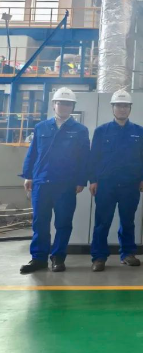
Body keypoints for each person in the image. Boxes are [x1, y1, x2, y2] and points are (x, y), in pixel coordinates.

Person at [20, 87, 90, 274]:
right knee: (40, 222)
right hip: (41, 182)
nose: (64, 106)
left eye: (68, 104)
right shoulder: (41, 127)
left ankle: (58, 258)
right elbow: (33, 153)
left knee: (63, 223)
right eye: (60, 103)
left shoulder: (80, 130)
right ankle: (38, 258)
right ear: (53, 105)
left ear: (73, 106)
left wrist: (81, 181)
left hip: (66, 184)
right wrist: (28, 175)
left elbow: (84, 158)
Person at [89, 90, 143, 272]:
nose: (122, 109)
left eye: (125, 106)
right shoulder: (101, 131)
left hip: (130, 184)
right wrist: (93, 180)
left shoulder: (140, 132)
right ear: (112, 108)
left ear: (130, 109)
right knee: (102, 221)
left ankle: (127, 254)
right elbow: (93, 158)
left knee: (128, 221)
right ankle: (99, 257)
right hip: (106, 184)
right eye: (118, 106)